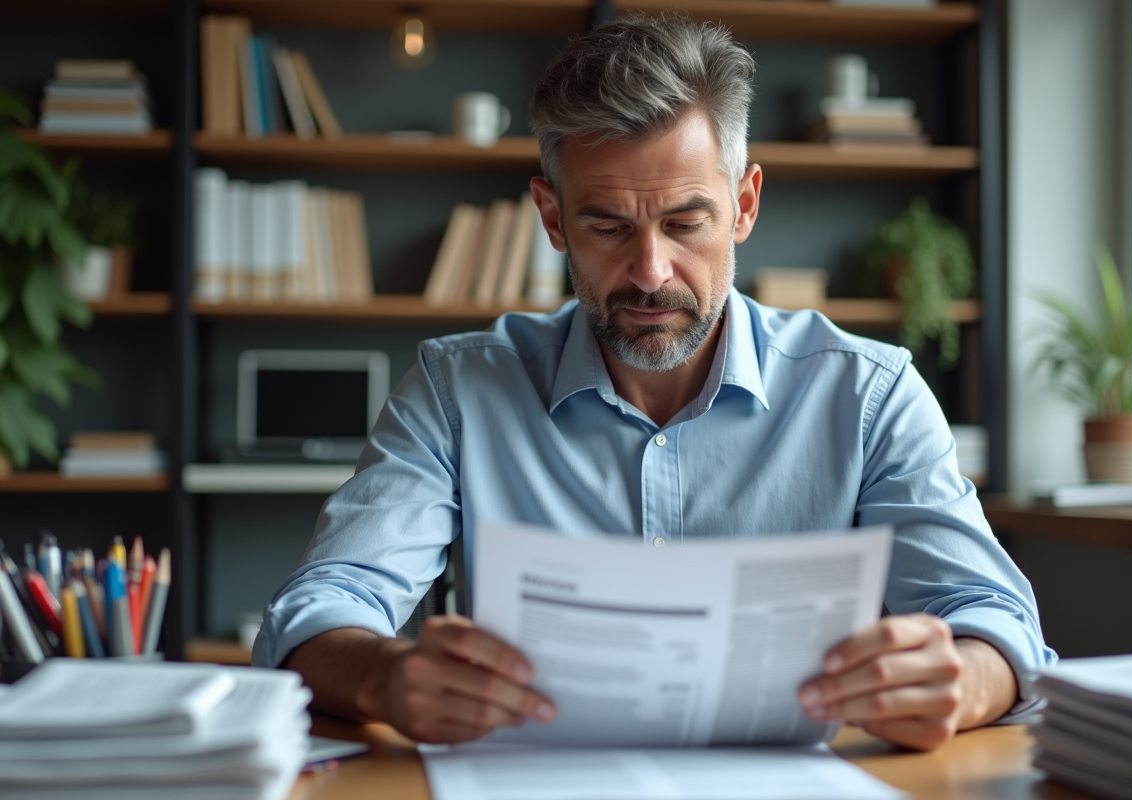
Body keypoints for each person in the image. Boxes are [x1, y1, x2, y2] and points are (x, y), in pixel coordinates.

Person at [253, 14, 1055, 752]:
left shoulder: (869, 395)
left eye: (684, 222)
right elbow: (325, 602)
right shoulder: (457, 388)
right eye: (606, 226)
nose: (649, 272)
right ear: (553, 218)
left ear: (743, 206)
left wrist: (961, 681)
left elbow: (997, 623)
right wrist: (383, 676)